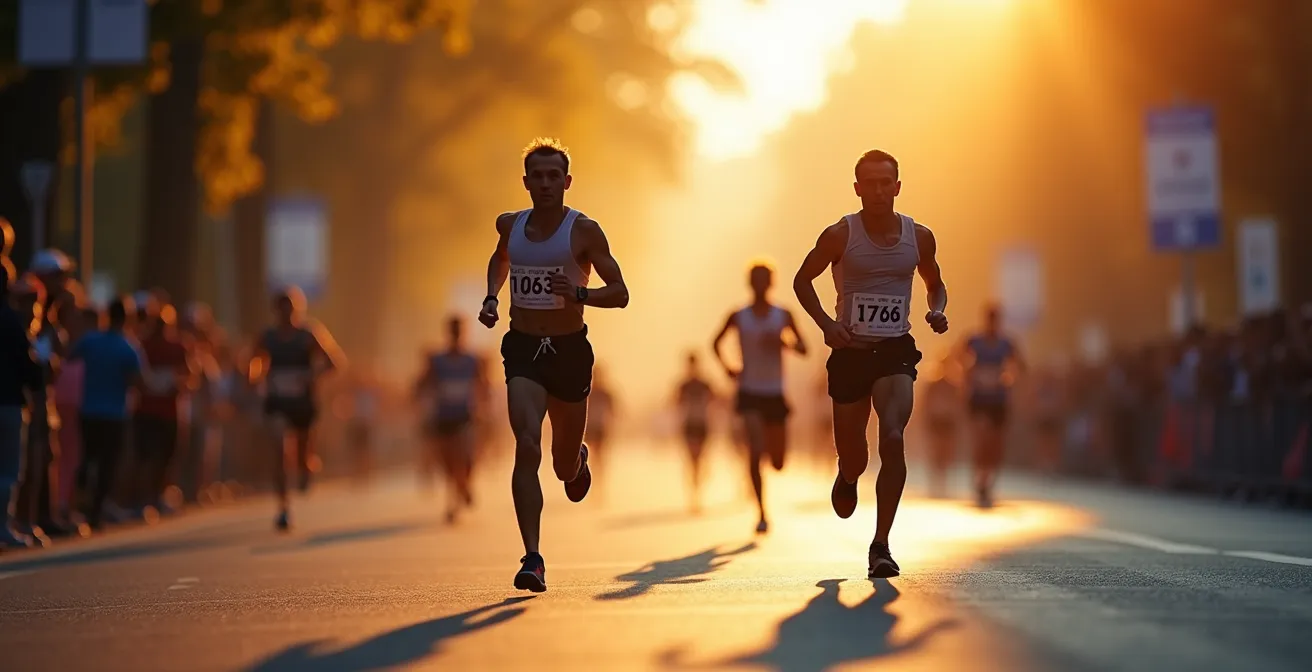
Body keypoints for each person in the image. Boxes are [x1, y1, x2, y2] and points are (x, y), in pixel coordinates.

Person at [478, 137, 629, 593]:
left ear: (566, 182)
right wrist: (490, 297)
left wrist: (579, 293)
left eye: (553, 176)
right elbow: (501, 259)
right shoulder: (510, 225)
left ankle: (576, 460)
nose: (545, 184)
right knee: (526, 444)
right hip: (523, 347)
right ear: (525, 183)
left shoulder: (584, 231)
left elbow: (620, 293)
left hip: (568, 351)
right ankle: (533, 557)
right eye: (536, 177)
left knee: (562, 466)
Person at [792, 148, 949, 578]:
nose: (879, 191)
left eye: (887, 183)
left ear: (898, 187)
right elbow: (802, 279)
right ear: (857, 188)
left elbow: (935, 285)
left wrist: (937, 310)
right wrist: (826, 324)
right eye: (871, 183)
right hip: (850, 352)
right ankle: (846, 476)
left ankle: (881, 544)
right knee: (854, 456)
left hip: (895, 350)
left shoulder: (919, 237)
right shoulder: (840, 235)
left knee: (894, 436)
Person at [713, 262, 808, 534]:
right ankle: (762, 512)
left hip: (775, 393)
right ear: (749, 283)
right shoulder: (738, 316)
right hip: (750, 391)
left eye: (764, 279)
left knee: (777, 462)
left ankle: (767, 455)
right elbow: (715, 342)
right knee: (755, 450)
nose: (759, 284)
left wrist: (784, 343)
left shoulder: (783, 315)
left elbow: (804, 348)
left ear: (771, 283)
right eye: (755, 279)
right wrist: (728, 368)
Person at [248, 287, 345, 531]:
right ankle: (283, 507)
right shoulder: (267, 336)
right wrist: (256, 378)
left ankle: (306, 467)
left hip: (302, 402)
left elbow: (334, 362)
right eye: (281, 308)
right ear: (275, 310)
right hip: (278, 401)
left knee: (301, 454)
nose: (285, 313)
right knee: (280, 451)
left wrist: (312, 375)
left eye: (290, 308)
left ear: (297, 309)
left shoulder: (308, 334)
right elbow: (252, 362)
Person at [69, 296, 145, 531]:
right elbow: (137, 382)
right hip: (114, 414)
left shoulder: (91, 341)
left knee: (88, 456)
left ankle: (76, 504)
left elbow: (69, 356)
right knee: (107, 463)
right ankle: (95, 512)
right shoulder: (128, 347)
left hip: (89, 410)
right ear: (127, 319)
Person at [415, 316, 488, 523]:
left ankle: (461, 492)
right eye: (453, 330)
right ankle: (458, 493)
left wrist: (484, 407)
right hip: (443, 416)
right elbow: (424, 381)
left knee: (465, 458)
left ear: (463, 332)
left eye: (459, 330)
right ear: (448, 332)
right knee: (448, 463)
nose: (456, 334)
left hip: (465, 416)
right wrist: (418, 391)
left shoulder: (473, 360)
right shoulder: (437, 360)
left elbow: (483, 385)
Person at [957, 304, 1024, 508]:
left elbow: (1021, 364)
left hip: (998, 399)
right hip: (978, 398)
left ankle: (988, 481)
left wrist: (1009, 378)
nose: (992, 324)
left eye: (996, 320)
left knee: (995, 444)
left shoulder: (1006, 343)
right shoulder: (974, 340)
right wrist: (968, 373)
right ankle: (980, 478)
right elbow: (957, 356)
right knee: (982, 438)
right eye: (990, 319)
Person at [1, 264, 45, 548]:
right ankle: (2, 526)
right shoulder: (12, 321)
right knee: (6, 470)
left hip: (8, 401)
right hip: (7, 402)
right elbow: (30, 367)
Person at [675, 352, 715, 513]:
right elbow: (676, 402)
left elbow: (714, 400)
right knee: (692, 460)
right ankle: (694, 496)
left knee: (698, 458)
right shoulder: (683, 385)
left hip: (702, 423)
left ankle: (698, 491)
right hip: (690, 424)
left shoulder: (705, 384)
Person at [921, 360, 961, 498]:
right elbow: (926, 403)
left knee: (945, 451)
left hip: (948, 420)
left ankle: (942, 482)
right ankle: (936, 482)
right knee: (936, 450)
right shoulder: (933, 385)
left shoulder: (953, 386)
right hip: (936, 419)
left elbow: (958, 404)